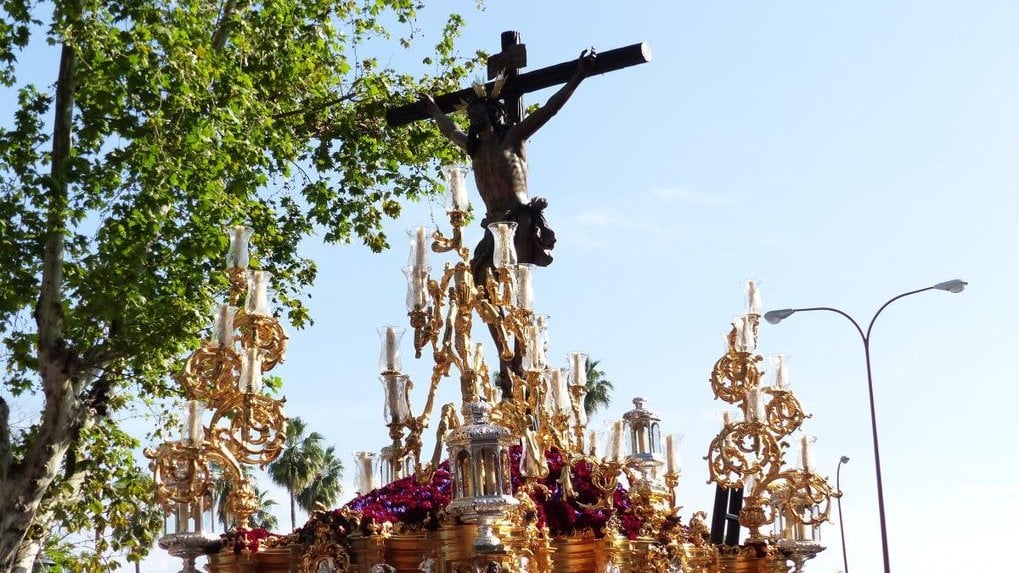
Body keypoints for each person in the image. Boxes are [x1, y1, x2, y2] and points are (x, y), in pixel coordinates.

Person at [421, 49, 597, 283]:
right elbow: (450, 130)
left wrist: (578, 75)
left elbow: (549, 109)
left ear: (493, 114)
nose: (472, 117)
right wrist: (433, 109)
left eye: (477, 112)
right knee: (483, 283)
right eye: (470, 115)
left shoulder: (513, 138)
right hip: (493, 224)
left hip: (519, 221)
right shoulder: (474, 149)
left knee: (514, 280)